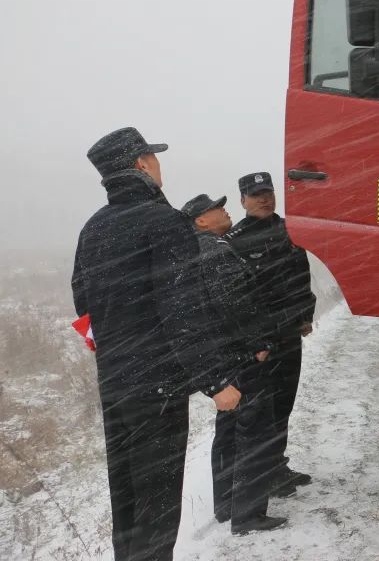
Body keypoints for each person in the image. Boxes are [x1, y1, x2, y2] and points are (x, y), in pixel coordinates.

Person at [71, 127, 241, 561]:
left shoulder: (93, 228)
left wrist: (118, 348)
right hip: (156, 388)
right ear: (142, 165)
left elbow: (84, 306)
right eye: (155, 158)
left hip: (115, 386)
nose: (159, 165)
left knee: (126, 498)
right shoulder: (164, 223)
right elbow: (182, 309)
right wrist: (215, 380)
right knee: (157, 504)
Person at [181, 193, 286, 535]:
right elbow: (235, 303)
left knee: (228, 431)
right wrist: (258, 343)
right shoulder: (215, 251)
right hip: (240, 355)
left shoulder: (196, 250)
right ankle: (249, 514)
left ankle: (227, 504)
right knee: (255, 433)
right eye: (216, 208)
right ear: (201, 220)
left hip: (222, 355)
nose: (225, 210)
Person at [225, 172, 317, 495]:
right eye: (255, 194)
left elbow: (300, 275)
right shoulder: (235, 240)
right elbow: (238, 298)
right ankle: (259, 476)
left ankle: (276, 467)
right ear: (242, 201)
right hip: (261, 342)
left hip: (290, 333)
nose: (264, 199)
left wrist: (306, 315)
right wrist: (255, 338)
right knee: (263, 409)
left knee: (285, 402)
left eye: (268, 192)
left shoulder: (289, 230)